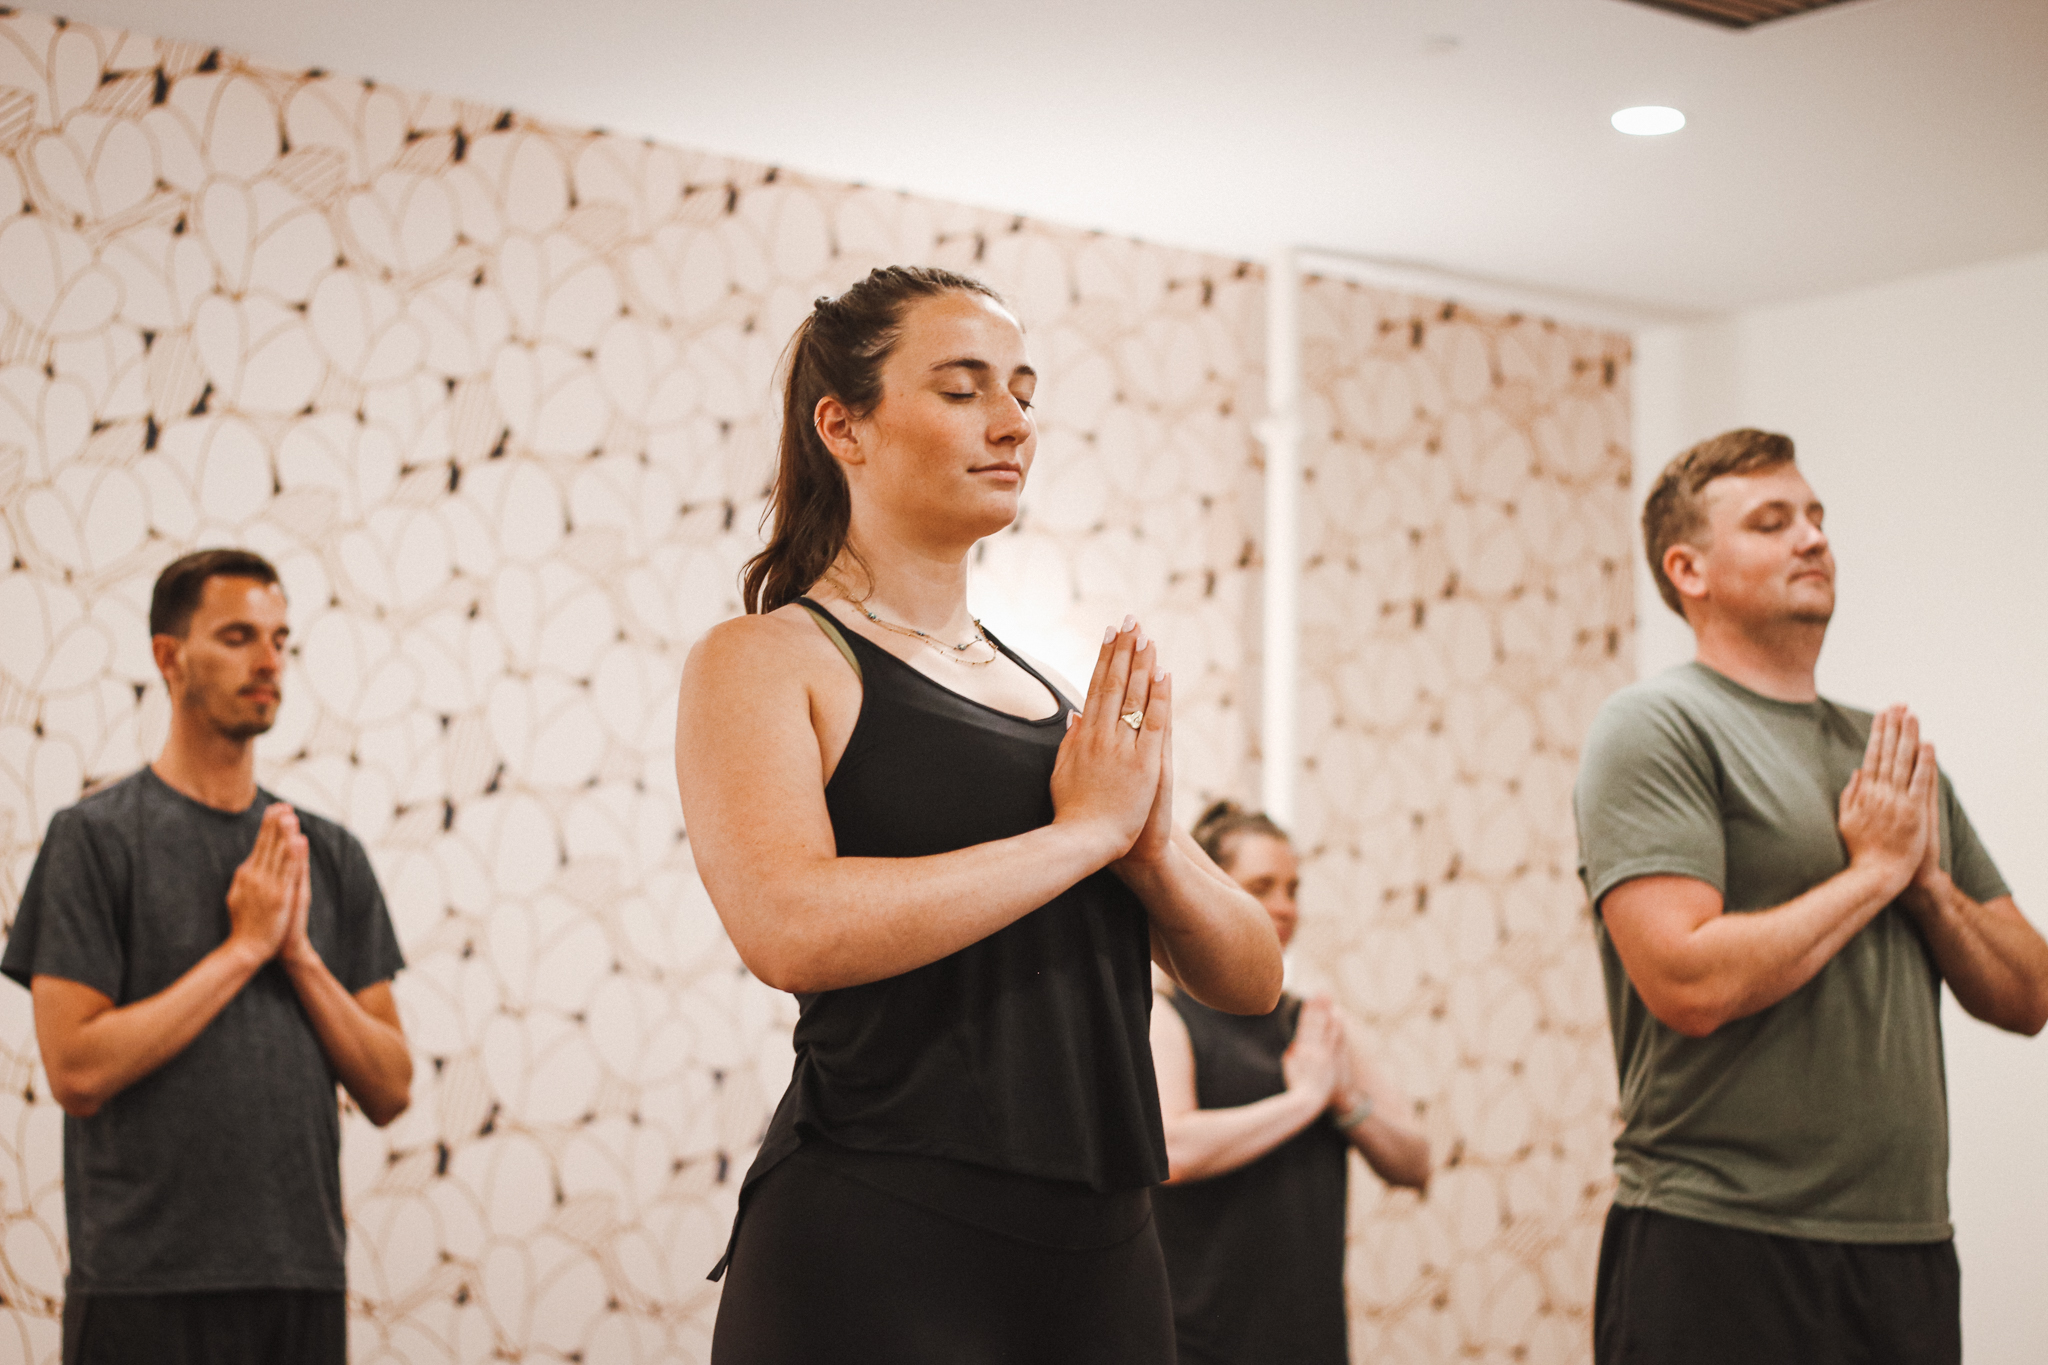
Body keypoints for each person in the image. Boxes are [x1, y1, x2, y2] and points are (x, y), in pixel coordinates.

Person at [673, 265, 1284, 1364]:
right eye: (961, 391)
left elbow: (1249, 978)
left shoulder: (1053, 701)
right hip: (881, 1232)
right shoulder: (766, 658)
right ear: (842, 426)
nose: (1010, 424)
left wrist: (1145, 848)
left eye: (1023, 392)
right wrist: (1078, 838)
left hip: (1105, 1246)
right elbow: (788, 925)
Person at [1574, 429, 2048, 1365]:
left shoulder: (1889, 753)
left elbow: (2030, 994)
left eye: (1818, 517)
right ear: (1689, 569)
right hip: (1720, 1236)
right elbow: (1686, 982)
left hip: (1905, 1245)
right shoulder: (1656, 726)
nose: (1813, 539)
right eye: (1772, 521)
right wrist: (1871, 874)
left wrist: (1925, 888)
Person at [3, 548, 412, 1365]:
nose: (268, 661)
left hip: (300, 1283)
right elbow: (76, 1069)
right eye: (237, 636)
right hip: (140, 1290)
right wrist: (243, 949)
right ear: (169, 655)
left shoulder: (325, 854)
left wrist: (294, 952)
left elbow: (391, 1086)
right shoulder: (93, 840)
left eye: (280, 638)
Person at [1150, 801, 1430, 1365]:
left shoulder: (1318, 1025)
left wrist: (1346, 1099)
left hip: (1309, 1336)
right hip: (1200, 1338)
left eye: (1293, 889)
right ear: (1212, 890)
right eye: (1262, 885)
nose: (1283, 906)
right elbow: (1172, 1149)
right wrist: (1304, 1099)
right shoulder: (1164, 1014)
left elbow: (1416, 1162)